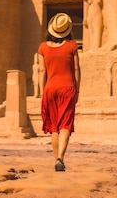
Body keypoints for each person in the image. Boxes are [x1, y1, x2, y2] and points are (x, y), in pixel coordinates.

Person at [37, 13, 81, 172]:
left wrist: (42, 92)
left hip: (50, 89)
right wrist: (77, 89)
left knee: (54, 127)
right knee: (65, 125)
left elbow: (42, 71)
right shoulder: (72, 46)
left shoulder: (42, 47)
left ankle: (57, 159)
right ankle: (60, 158)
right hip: (67, 88)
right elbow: (76, 69)